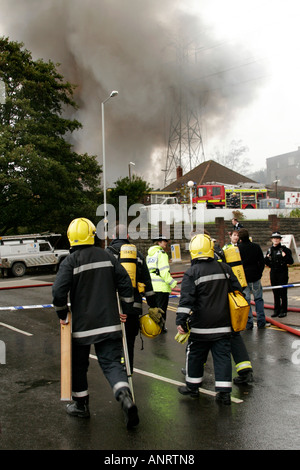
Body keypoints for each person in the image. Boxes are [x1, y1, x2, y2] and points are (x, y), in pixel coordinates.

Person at [52, 218, 139, 429]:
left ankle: (81, 406)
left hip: (82, 327)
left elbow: (58, 292)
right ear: (93, 235)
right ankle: (124, 395)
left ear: (71, 237)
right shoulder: (107, 257)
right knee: (111, 363)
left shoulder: (70, 261)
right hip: (110, 323)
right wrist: (127, 311)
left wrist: (63, 313)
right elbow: (126, 284)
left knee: (79, 366)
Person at [176, 233, 243, 405]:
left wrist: (181, 321)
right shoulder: (225, 269)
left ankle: (192, 387)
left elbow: (186, 300)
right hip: (223, 324)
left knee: (195, 356)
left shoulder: (192, 273)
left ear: (193, 251)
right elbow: (237, 292)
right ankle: (224, 394)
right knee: (222, 358)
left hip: (200, 327)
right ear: (211, 249)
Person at [107, 224, 160, 371]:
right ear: (128, 236)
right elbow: (148, 284)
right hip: (133, 309)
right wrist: (153, 306)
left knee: (114, 344)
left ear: (113, 237)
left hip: (114, 309)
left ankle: (116, 374)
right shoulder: (138, 256)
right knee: (129, 342)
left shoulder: (108, 254)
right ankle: (128, 371)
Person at [146, 235, 177, 332]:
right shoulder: (162, 254)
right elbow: (164, 272)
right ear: (158, 242)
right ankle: (160, 328)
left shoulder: (149, 255)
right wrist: (173, 283)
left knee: (153, 310)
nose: (166, 242)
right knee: (161, 310)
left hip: (151, 286)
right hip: (161, 287)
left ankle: (153, 328)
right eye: (164, 241)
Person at [238, 228, 267, 329]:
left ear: (240, 238)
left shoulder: (238, 249)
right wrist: (259, 273)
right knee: (258, 299)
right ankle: (261, 321)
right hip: (255, 276)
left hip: (244, 278)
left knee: (246, 301)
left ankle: (249, 323)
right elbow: (262, 262)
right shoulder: (256, 247)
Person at [265, 231, 294, 318]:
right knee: (275, 292)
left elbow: (291, 261)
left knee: (283, 292)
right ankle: (276, 309)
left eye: (277, 238)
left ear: (280, 239)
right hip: (273, 272)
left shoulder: (285, 249)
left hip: (282, 272)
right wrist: (267, 258)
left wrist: (284, 256)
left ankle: (283, 310)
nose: (275, 240)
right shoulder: (270, 250)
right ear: (271, 240)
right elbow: (266, 262)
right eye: (274, 238)